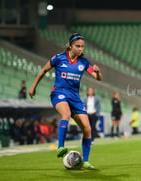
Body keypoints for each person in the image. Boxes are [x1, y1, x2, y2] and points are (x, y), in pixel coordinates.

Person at [29, 33, 102, 169]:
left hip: (75, 97)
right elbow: (43, 71)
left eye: (82, 47)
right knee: (66, 114)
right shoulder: (59, 58)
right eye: (78, 46)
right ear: (70, 46)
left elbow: (98, 77)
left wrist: (97, 72)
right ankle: (60, 146)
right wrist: (33, 87)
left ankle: (85, 161)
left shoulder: (84, 62)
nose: (81, 49)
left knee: (87, 129)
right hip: (59, 93)